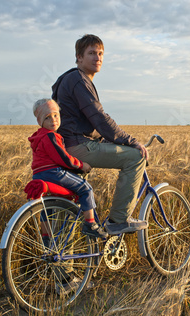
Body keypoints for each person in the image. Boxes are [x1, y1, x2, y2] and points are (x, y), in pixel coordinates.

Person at [51, 34, 148, 235]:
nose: (98, 58)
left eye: (101, 53)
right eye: (92, 53)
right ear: (79, 57)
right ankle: (118, 220)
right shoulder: (79, 80)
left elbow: (83, 119)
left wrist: (105, 138)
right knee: (135, 157)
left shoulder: (69, 79)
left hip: (65, 146)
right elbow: (99, 117)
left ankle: (64, 264)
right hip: (78, 146)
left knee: (68, 208)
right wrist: (131, 141)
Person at [29, 98, 108, 239]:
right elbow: (63, 158)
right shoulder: (50, 136)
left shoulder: (39, 136)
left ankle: (47, 238)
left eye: (56, 115)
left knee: (48, 208)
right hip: (53, 173)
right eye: (47, 117)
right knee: (85, 188)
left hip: (39, 174)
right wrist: (81, 165)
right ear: (41, 121)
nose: (53, 120)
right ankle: (90, 224)